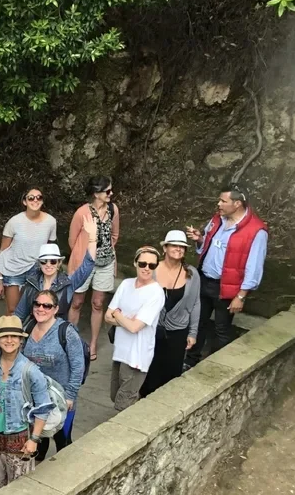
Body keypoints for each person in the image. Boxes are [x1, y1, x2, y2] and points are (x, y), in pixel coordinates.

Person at [184, 185, 268, 368]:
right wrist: (200, 239)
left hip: (227, 286)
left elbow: (254, 267)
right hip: (204, 280)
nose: (219, 204)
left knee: (222, 329)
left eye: (223, 201)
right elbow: (209, 243)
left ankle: (214, 367)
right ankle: (190, 362)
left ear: (237, 203)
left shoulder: (256, 231)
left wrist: (241, 296)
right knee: (198, 322)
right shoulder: (218, 219)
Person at [0, 316, 54, 494]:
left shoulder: (30, 370)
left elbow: (43, 408)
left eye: (14, 336)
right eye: (4, 336)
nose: (9, 340)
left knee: (17, 494)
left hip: (18, 442)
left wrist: (34, 439)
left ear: (21, 340)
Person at [22, 289, 85, 460]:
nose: (41, 309)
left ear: (56, 309)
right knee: (38, 442)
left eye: (47, 306)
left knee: (62, 441)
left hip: (61, 399)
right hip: (36, 399)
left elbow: (78, 366)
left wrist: (70, 395)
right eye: (37, 304)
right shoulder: (27, 327)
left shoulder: (66, 332)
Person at [105, 247, 166, 410]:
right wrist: (125, 319)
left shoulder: (156, 293)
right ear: (135, 263)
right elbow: (107, 316)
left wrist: (117, 315)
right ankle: (139, 408)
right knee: (115, 395)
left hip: (137, 356)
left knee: (122, 403)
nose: (147, 268)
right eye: (143, 263)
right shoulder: (126, 285)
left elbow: (134, 327)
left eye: (152, 265)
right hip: (121, 351)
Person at [141, 231, 201, 396]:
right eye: (174, 245)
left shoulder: (192, 274)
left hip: (178, 331)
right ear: (165, 248)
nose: (179, 249)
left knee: (171, 375)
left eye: (182, 246)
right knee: (148, 372)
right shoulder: (151, 269)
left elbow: (196, 303)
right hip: (151, 329)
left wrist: (193, 332)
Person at [68, 176, 121, 361]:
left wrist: (106, 251)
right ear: (96, 193)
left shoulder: (113, 209)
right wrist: (84, 254)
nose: (111, 194)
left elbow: (115, 235)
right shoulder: (82, 212)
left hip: (105, 263)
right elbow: (72, 240)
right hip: (84, 263)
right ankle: (70, 341)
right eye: (107, 191)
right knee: (77, 302)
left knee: (98, 304)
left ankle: (92, 344)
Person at [14, 218, 98, 322]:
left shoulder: (68, 283)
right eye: (44, 261)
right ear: (39, 264)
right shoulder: (32, 283)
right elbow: (19, 314)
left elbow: (88, 265)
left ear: (59, 263)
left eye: (53, 261)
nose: (48, 265)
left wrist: (92, 239)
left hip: (57, 333)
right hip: (35, 332)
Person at [0, 186, 57, 315]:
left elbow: (49, 250)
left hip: (36, 269)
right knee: (13, 310)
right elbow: (3, 251)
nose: (35, 200)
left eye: (39, 197)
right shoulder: (14, 222)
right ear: (25, 202)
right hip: (13, 268)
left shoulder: (51, 221)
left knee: (34, 308)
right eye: (31, 198)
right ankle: (10, 335)